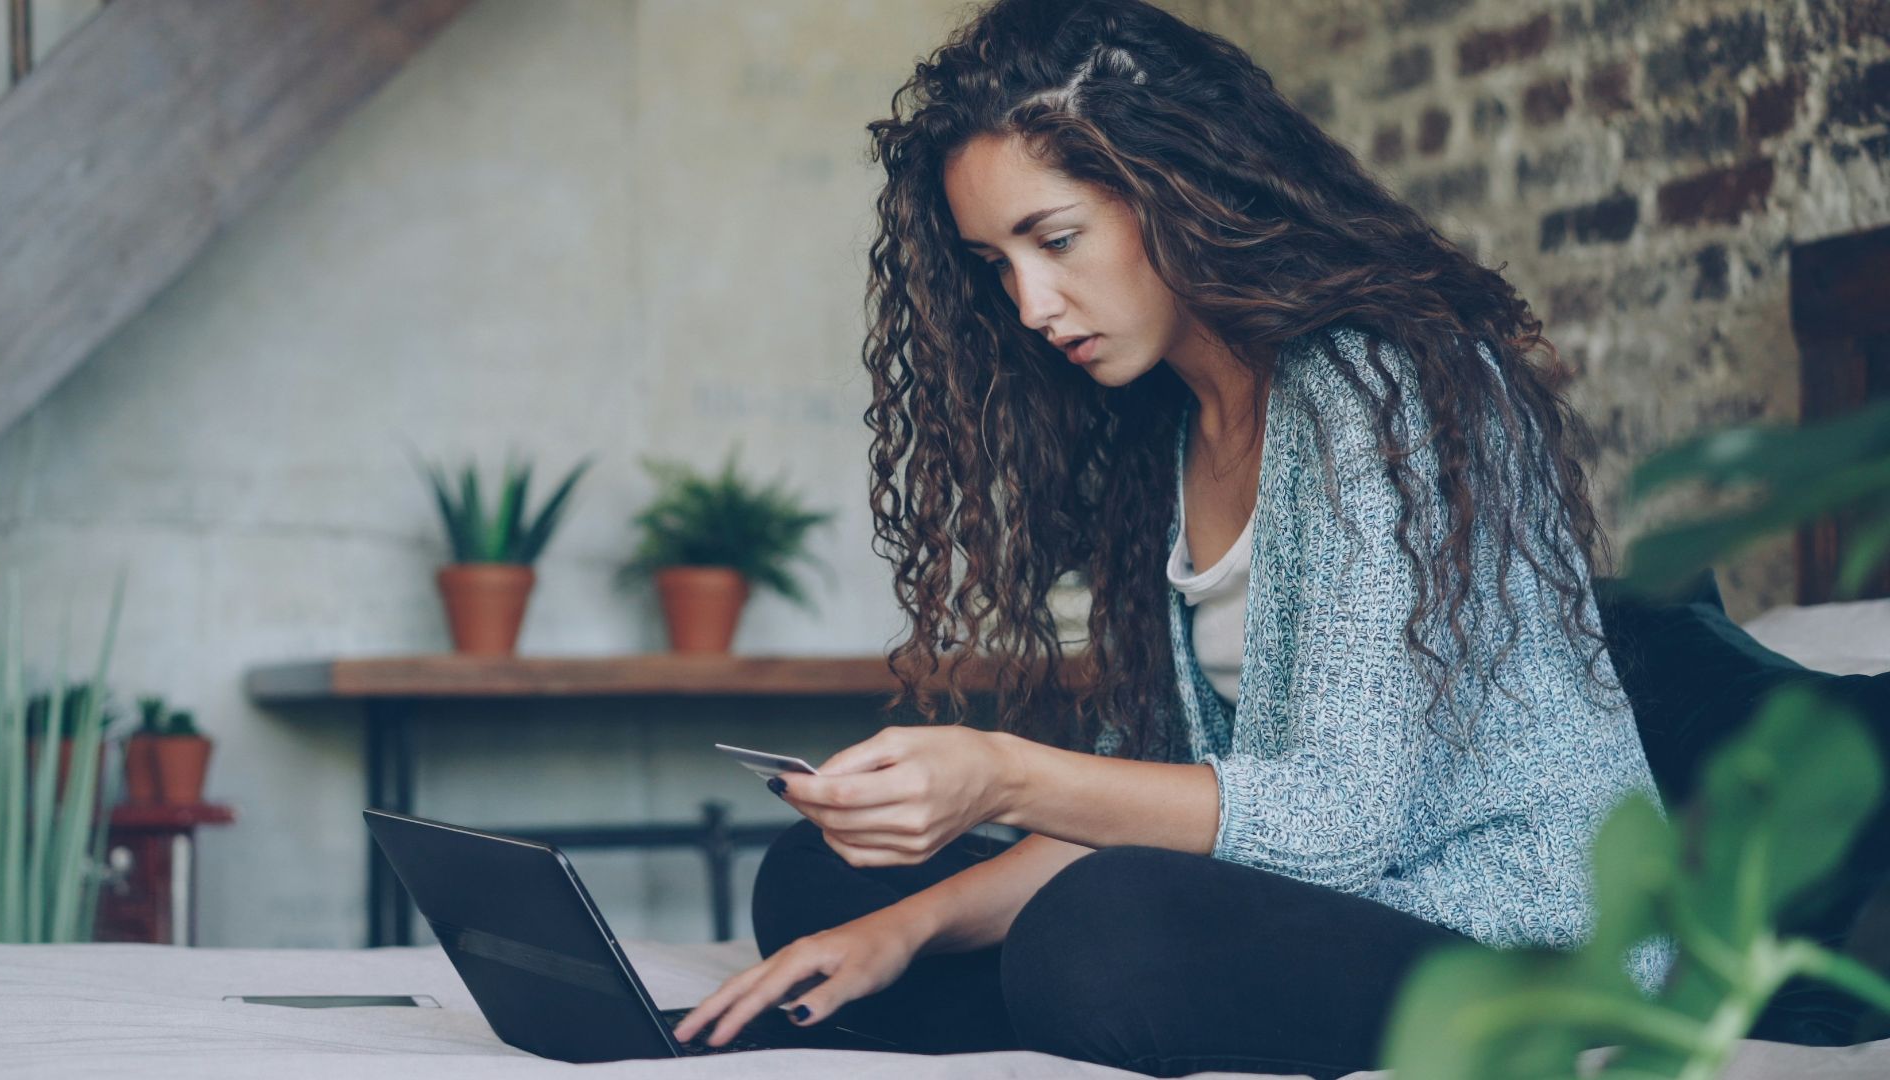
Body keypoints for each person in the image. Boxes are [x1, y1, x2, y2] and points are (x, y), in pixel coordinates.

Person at [669, 0, 1671, 1075]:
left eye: (1055, 240)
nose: (1031, 304)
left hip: (1524, 942)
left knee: (1102, 934)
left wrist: (1002, 775)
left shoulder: (1384, 387)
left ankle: (1033, 995)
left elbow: (1339, 823)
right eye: (997, 265)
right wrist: (903, 929)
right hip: (1302, 910)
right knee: (820, 889)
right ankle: (949, 979)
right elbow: (1163, 800)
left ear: (1179, 188)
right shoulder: (1165, 430)